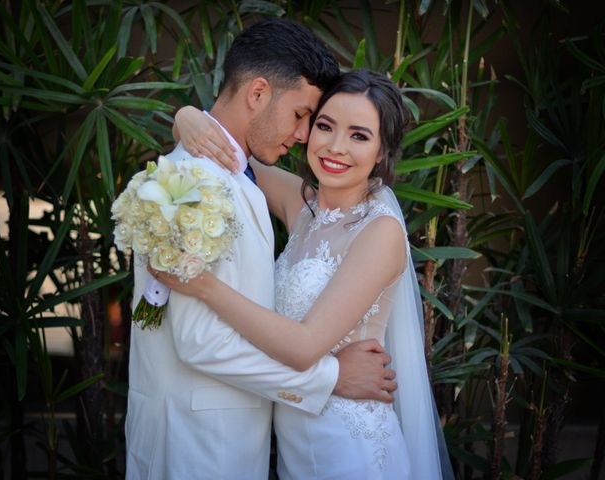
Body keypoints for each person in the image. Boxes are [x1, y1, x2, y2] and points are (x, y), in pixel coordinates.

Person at [126, 20, 398, 480]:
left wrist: (188, 117)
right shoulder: (198, 181)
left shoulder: (234, 173)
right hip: (200, 444)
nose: (307, 136)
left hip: (287, 440)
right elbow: (200, 342)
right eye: (306, 117)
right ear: (257, 93)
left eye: (358, 135)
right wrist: (332, 378)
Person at [160, 69, 452, 478]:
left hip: (349, 446)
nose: (335, 147)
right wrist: (186, 117)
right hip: (298, 442)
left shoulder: (380, 231)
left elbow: (303, 347)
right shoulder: (304, 207)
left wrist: (204, 286)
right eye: (325, 126)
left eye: (359, 136)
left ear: (382, 153)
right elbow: (226, 150)